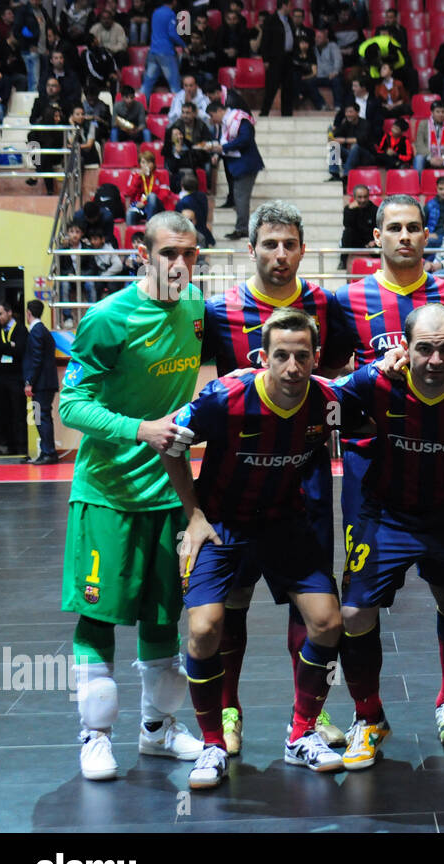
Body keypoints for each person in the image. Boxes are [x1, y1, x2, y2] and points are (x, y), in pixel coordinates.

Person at [162, 310, 345, 788]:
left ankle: (301, 734)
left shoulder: (327, 401)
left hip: (284, 525)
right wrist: (194, 516)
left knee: (328, 623)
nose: (291, 367)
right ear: (261, 357)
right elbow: (168, 443)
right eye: (280, 355)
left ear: (316, 358)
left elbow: (371, 392)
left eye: (302, 356)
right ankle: (212, 746)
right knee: (204, 631)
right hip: (221, 526)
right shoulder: (224, 397)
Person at [196, 203, 353, 756]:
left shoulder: (325, 305)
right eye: (269, 245)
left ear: (303, 249)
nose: (280, 255)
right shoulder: (220, 310)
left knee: (309, 596)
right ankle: (229, 709)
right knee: (231, 597)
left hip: (303, 470)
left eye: (290, 244)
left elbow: (337, 375)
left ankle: (308, 714)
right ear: (252, 249)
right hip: (236, 475)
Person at [58, 211, 207, 781]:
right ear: (143, 254)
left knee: (164, 617)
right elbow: (71, 407)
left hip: (170, 495)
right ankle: (94, 736)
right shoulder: (107, 318)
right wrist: (141, 428)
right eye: (168, 253)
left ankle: (156, 731)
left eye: (190, 254)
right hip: (108, 495)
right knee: (98, 615)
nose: (179, 264)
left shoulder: (197, 312)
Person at [328, 195, 444, 746]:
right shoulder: (350, 299)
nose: (406, 236)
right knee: (358, 602)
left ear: (426, 235)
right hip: (372, 470)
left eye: (415, 227)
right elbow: (328, 367)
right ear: (376, 237)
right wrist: (367, 368)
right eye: (395, 228)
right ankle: (369, 716)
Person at [204, 100, 264, 240]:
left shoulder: (238, 119)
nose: (212, 120)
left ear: (219, 111)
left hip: (246, 164)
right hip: (237, 165)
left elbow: (245, 139)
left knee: (241, 197)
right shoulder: (226, 122)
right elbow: (224, 141)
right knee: (239, 197)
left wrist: (223, 148)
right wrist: (218, 153)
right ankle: (242, 226)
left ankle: (242, 228)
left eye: (212, 116)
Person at [21, 299, 58, 464]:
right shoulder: (43, 331)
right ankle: (47, 451)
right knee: (42, 416)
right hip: (46, 383)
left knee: (41, 416)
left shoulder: (36, 331)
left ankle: (48, 452)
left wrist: (29, 381)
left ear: (28, 313)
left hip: (41, 384)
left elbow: (36, 359)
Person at [0, 301, 27, 455]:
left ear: (9, 312)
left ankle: (22, 446)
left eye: (0, 314)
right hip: (0, 379)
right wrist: (8, 346)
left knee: (18, 413)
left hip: (16, 378)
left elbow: (20, 350)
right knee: (3, 413)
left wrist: (4, 348)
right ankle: (8, 445)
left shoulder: (21, 329)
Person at [142, 0, 185, 94]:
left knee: (147, 84)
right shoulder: (170, 14)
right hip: (166, 53)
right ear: (174, 2)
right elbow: (172, 34)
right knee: (175, 85)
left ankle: (141, 106)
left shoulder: (156, 12)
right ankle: (179, 108)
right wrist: (183, 45)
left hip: (153, 51)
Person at [328, 101, 373, 183]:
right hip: (351, 155)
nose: (348, 114)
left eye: (350, 112)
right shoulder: (346, 124)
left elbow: (361, 140)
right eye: (346, 112)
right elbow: (335, 137)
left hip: (365, 156)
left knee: (355, 147)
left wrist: (344, 140)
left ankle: (346, 175)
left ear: (357, 112)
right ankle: (334, 173)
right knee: (334, 145)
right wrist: (332, 132)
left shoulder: (365, 123)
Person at [414, 100, 444, 174]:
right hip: (428, 157)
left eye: (443, 112)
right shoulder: (423, 124)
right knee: (419, 159)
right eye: (438, 112)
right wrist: (430, 157)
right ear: (432, 113)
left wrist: (443, 157)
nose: (441, 114)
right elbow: (419, 144)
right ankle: (418, 185)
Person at [340, 183, 379, 266]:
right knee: (347, 233)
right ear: (354, 198)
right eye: (360, 197)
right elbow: (347, 224)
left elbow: (379, 228)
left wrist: (375, 240)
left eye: (365, 197)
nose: (363, 200)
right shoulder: (349, 209)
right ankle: (343, 261)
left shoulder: (375, 210)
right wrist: (351, 210)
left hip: (370, 241)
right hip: (356, 241)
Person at [125, 150, 166, 224]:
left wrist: (145, 202)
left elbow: (164, 194)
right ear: (140, 164)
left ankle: (150, 227)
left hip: (156, 207)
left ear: (153, 164)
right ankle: (131, 235)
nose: (146, 165)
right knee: (129, 214)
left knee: (152, 196)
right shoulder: (135, 175)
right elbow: (129, 193)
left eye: (148, 162)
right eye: (143, 162)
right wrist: (138, 178)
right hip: (139, 207)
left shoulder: (161, 175)